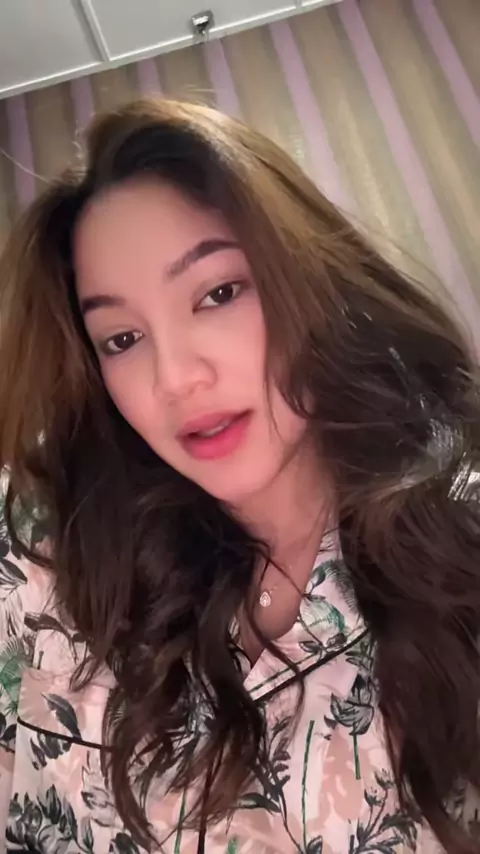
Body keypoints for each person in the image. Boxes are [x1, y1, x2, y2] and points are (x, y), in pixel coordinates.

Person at [0, 98, 479, 854]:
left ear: (310, 280)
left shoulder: (457, 546)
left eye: (218, 293)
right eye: (121, 338)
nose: (175, 378)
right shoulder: (50, 544)